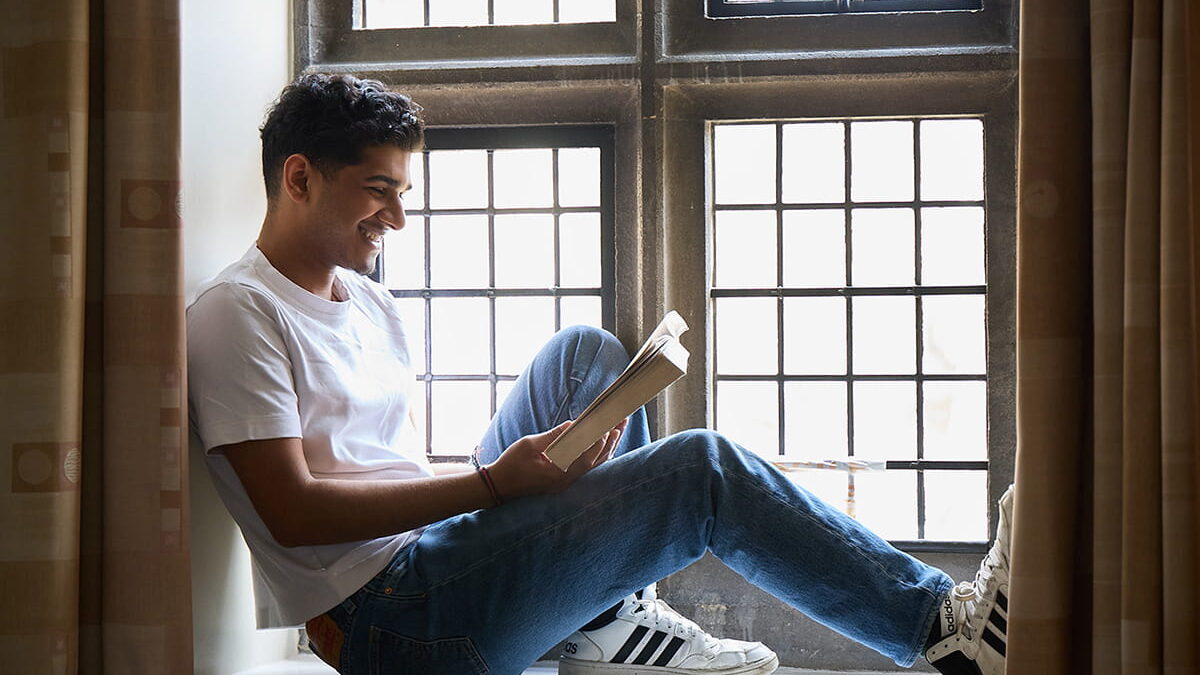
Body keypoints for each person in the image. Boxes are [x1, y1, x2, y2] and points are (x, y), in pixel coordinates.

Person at [186, 72, 1012, 675]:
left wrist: (534, 474)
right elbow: (292, 513)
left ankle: (607, 623)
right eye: (378, 191)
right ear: (299, 177)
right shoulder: (238, 313)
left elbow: (384, 470)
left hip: (426, 559)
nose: (397, 218)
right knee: (703, 471)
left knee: (583, 352)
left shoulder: (369, 304)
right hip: (393, 625)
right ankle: (943, 629)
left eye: (404, 191)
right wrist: (496, 486)